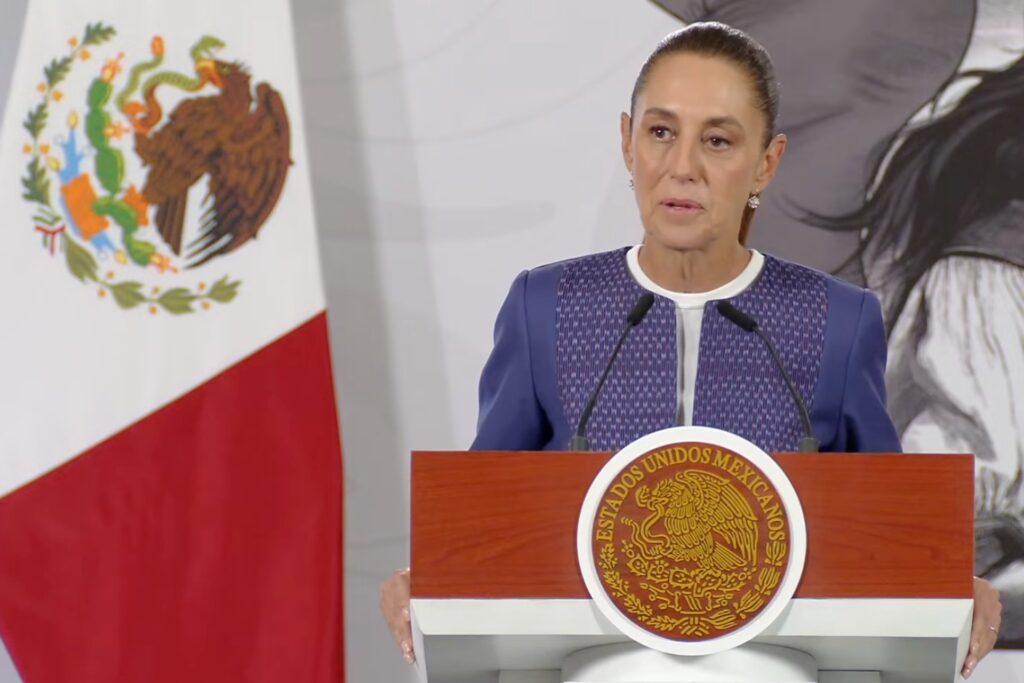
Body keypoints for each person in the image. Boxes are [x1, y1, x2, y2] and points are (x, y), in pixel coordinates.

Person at [379, 21, 1002, 677]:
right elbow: (485, 520)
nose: (682, 167)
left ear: (766, 162)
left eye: (718, 140)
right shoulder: (547, 307)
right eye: (660, 132)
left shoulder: (836, 321)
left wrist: (954, 584)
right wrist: (430, 576)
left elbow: (891, 536)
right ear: (627, 142)